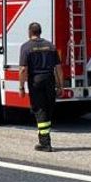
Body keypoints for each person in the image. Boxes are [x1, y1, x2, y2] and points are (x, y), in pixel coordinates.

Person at [17, 22, 63, 152]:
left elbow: (23, 70)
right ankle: (44, 140)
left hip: (36, 81)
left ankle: (45, 143)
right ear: (40, 32)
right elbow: (58, 68)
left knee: (40, 111)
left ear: (30, 32)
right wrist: (60, 86)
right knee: (48, 110)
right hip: (50, 80)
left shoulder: (26, 47)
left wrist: (21, 87)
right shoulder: (50, 46)